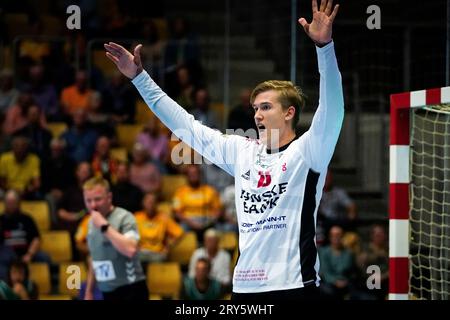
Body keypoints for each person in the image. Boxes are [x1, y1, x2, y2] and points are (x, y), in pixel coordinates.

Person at [104, 0, 342, 300]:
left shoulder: (309, 151)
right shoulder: (241, 151)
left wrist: (325, 48)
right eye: (255, 108)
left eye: (266, 107)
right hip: (244, 287)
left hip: (294, 285)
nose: (257, 115)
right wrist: (140, 79)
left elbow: (333, 110)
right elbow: (187, 126)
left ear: (289, 113)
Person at [83, 177, 148, 300]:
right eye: (88, 200)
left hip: (131, 289)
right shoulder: (91, 223)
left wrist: (104, 226)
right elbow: (95, 257)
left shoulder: (125, 217)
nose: (93, 205)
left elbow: (130, 249)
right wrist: (89, 291)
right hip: (107, 291)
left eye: (97, 199)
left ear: (109, 197)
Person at [135, 192, 184, 264]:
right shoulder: (137, 217)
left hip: (158, 253)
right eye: (148, 202)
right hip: (142, 252)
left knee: (159, 261)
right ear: (143, 203)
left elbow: (179, 232)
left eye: (152, 202)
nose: (150, 205)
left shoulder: (163, 218)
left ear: (156, 204)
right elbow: (128, 234)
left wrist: (168, 246)